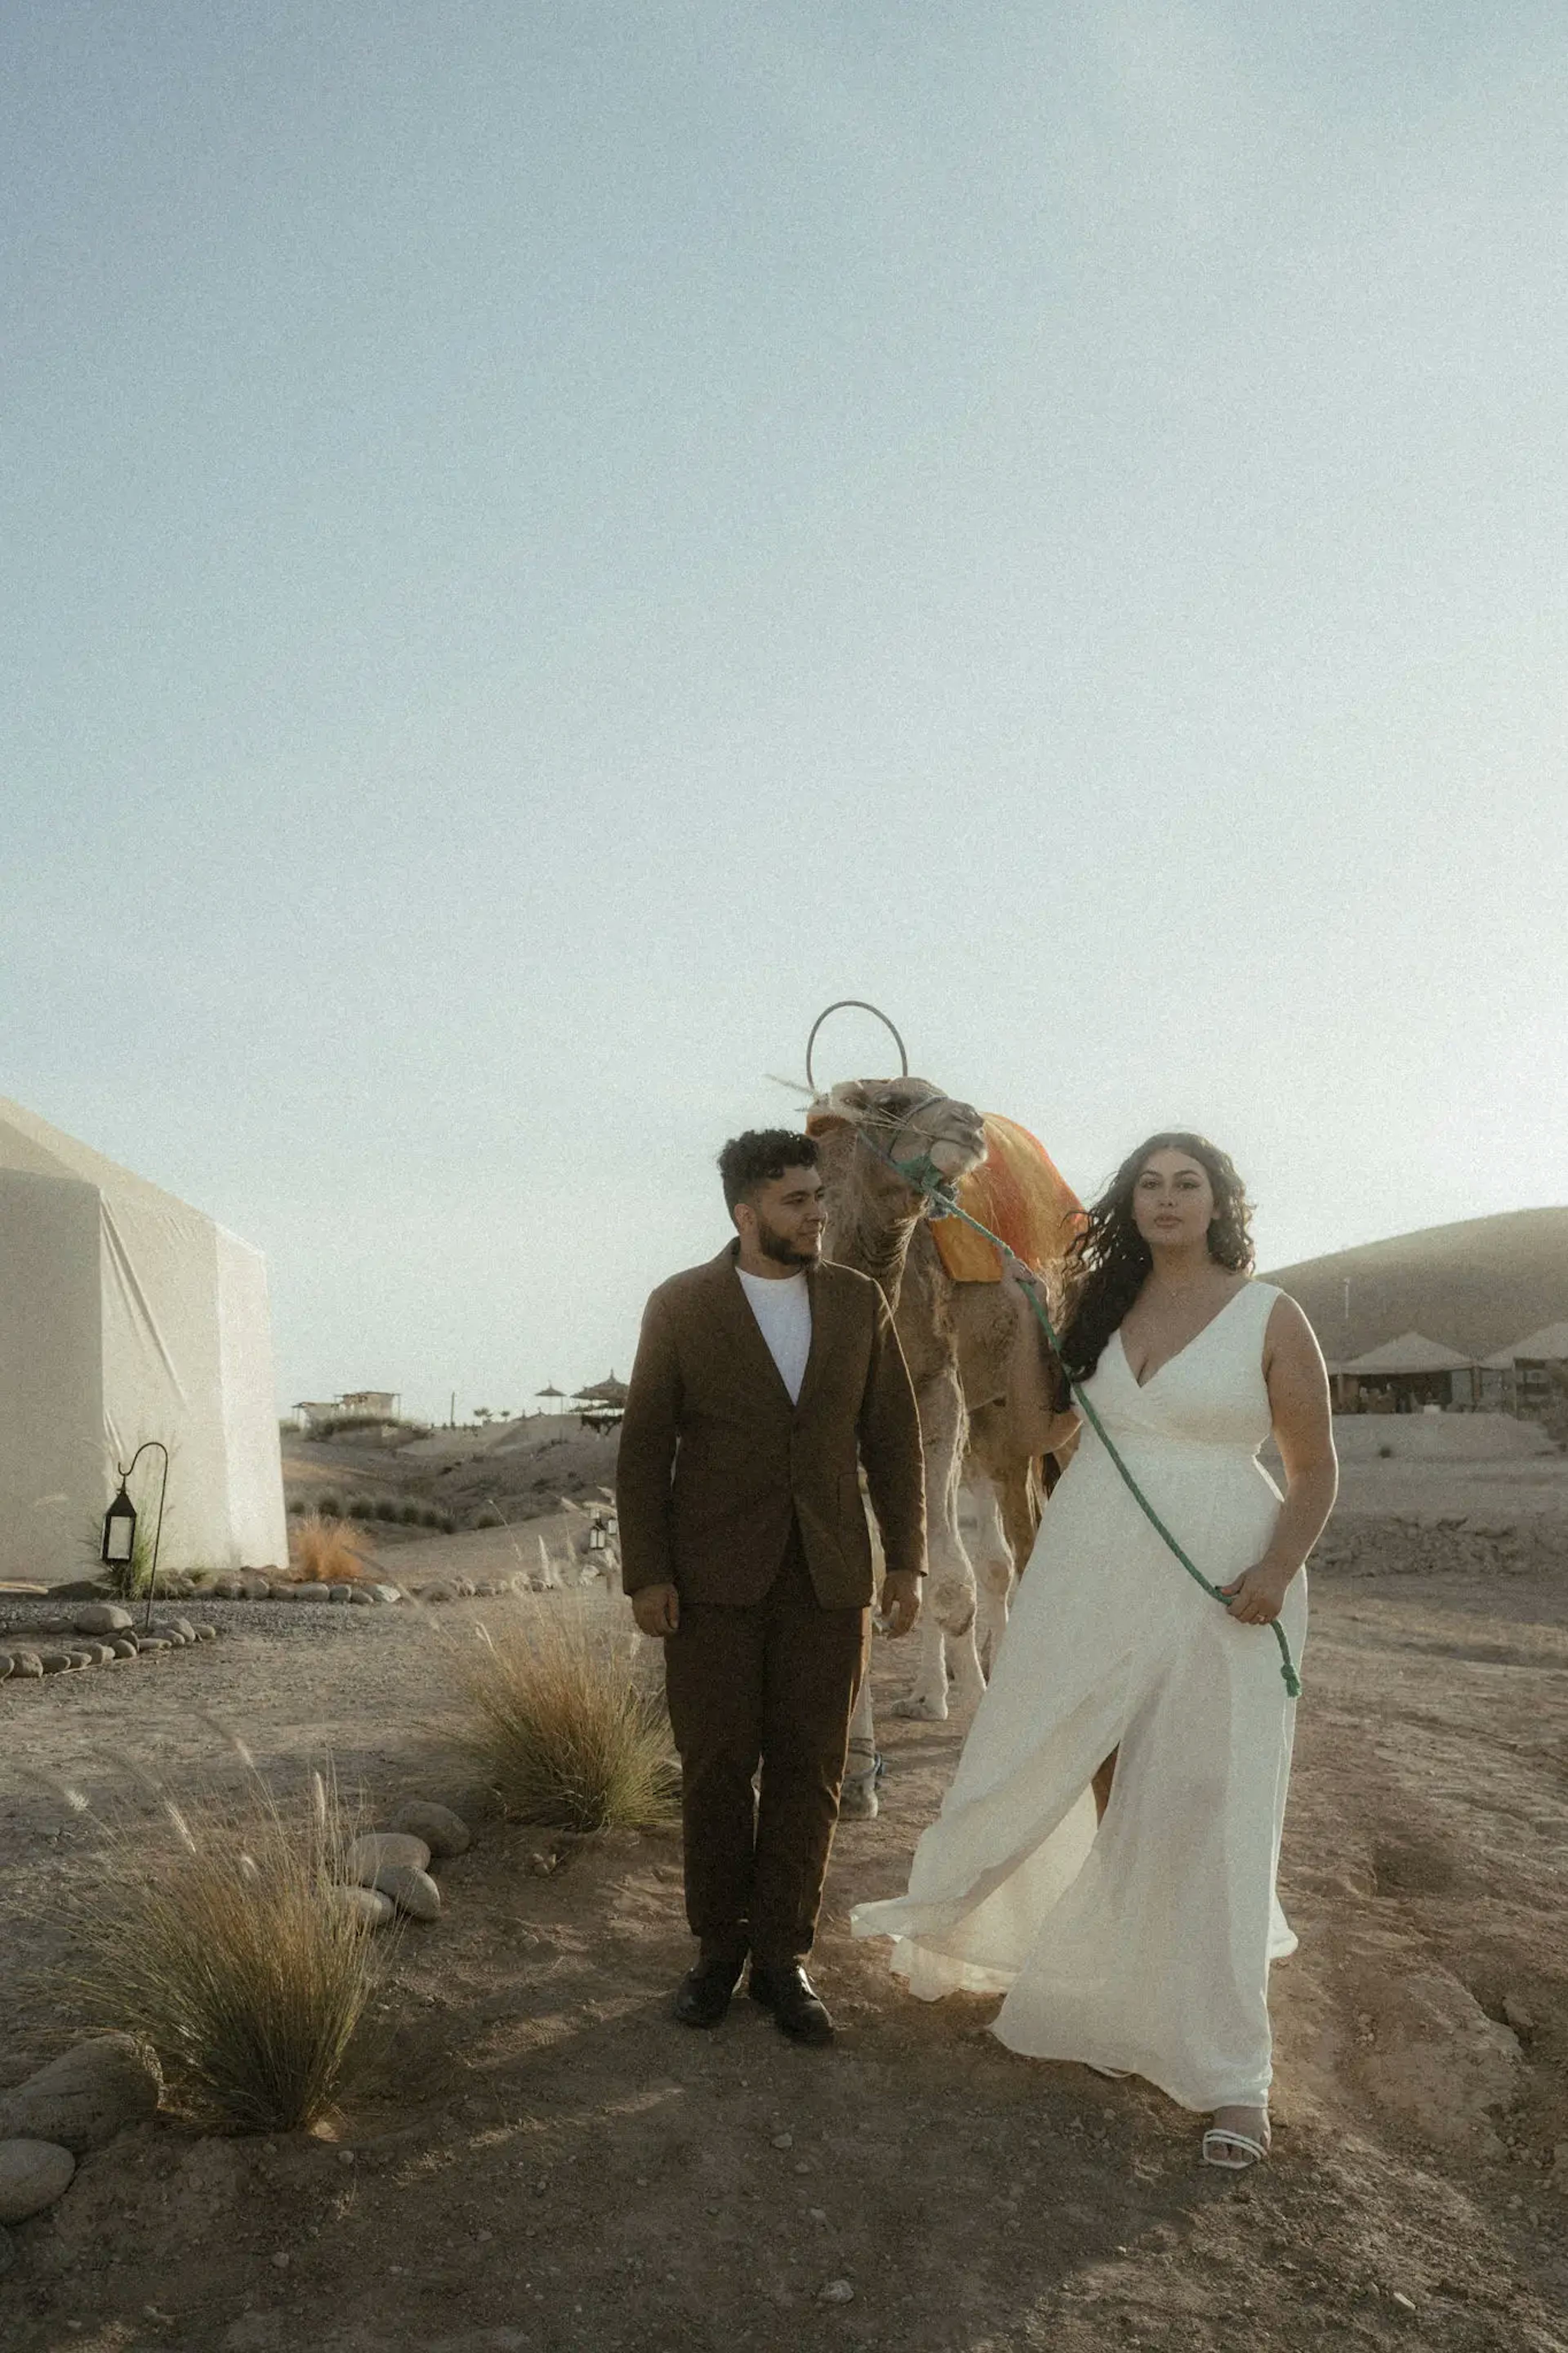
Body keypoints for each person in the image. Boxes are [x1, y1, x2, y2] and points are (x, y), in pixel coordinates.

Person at [852, 1132, 1336, 2168]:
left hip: (1227, 1584)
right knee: (1078, 1772)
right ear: (1130, 1203)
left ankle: (1232, 2078)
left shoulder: (1270, 1313)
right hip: (1090, 1574)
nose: (1167, 1200)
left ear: (1220, 1200)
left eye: (1187, 1183)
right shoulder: (1100, 1308)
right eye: (1149, 1185)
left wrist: (1275, 1572)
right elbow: (1034, 1436)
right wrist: (1032, 1314)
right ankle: (1118, 2005)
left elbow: (1314, 1470)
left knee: (1217, 1806)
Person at [617, 1127, 926, 2045]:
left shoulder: (858, 1301)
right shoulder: (681, 1305)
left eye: (820, 1197)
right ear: (747, 1213)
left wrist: (906, 1559)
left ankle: (784, 1958)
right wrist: (648, 1572)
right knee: (717, 1770)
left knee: (813, 1768)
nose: (818, 1214)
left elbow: (894, 1439)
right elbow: (643, 1449)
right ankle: (718, 1949)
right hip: (710, 1579)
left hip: (829, 1575)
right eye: (798, 1201)